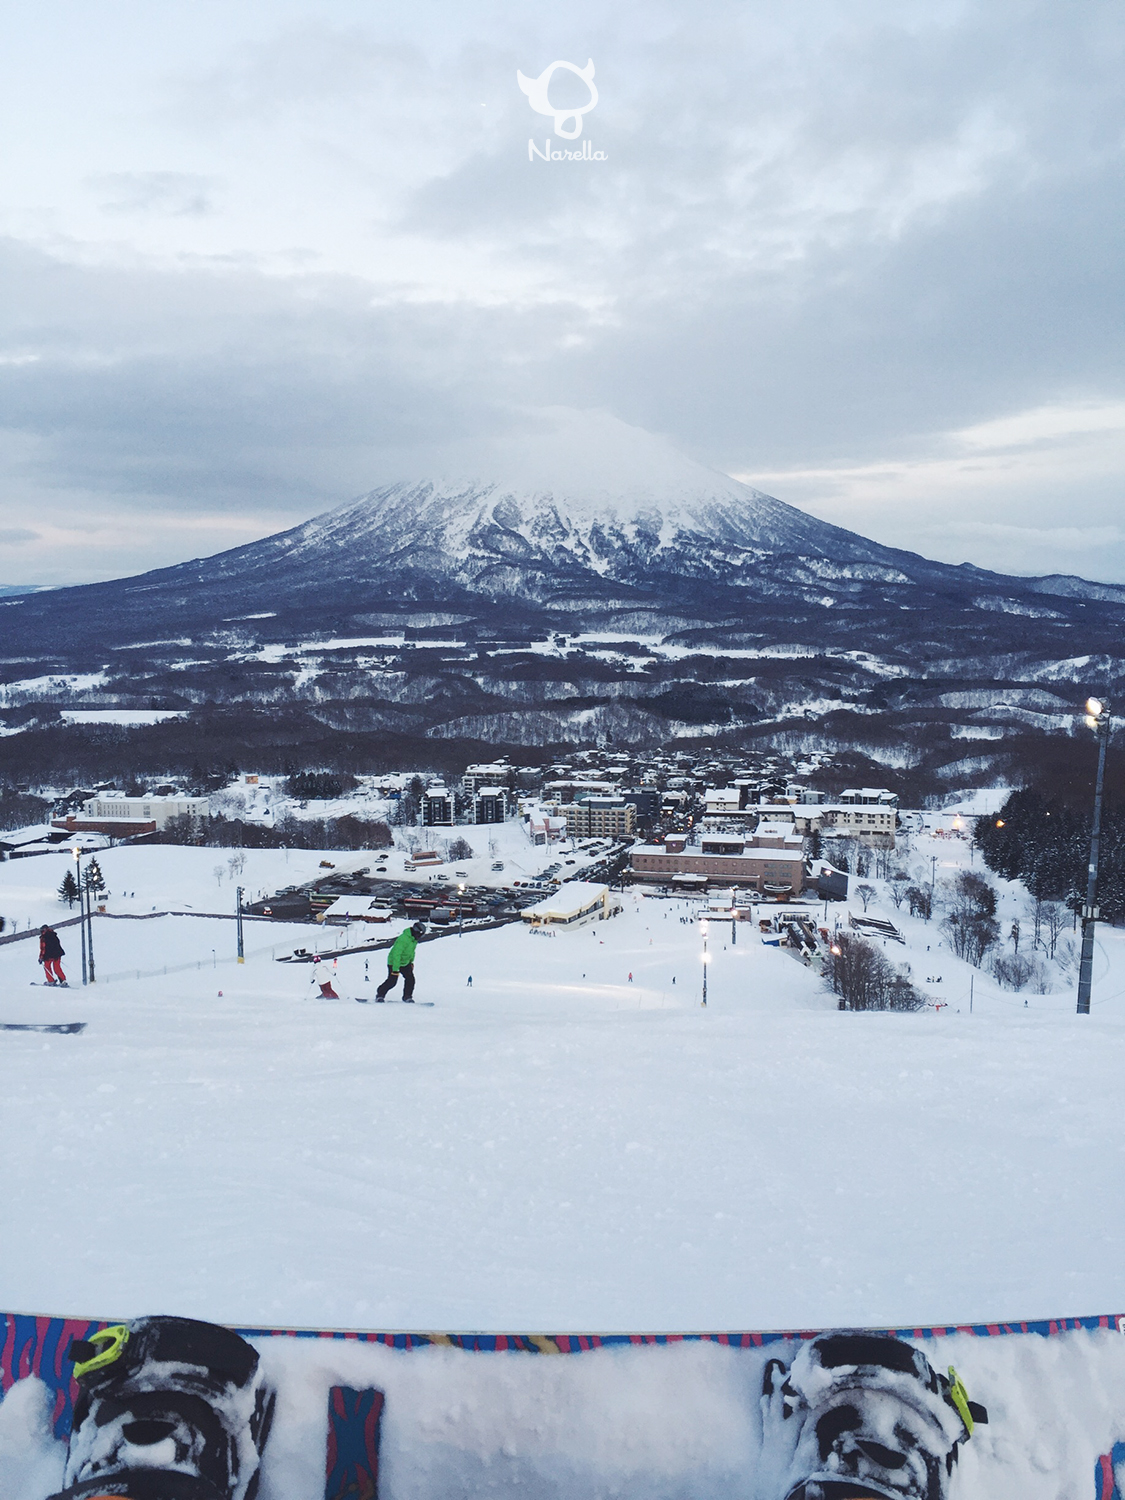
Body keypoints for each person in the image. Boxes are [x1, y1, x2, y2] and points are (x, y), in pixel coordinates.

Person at [375, 922, 426, 1001]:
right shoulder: (403, 939)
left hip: (405, 963)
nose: (420, 937)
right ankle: (380, 994)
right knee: (392, 982)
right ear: (416, 932)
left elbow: (411, 952)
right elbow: (396, 954)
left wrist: (411, 962)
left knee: (410, 980)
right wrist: (395, 969)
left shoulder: (413, 940)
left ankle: (407, 997)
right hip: (394, 962)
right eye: (420, 935)